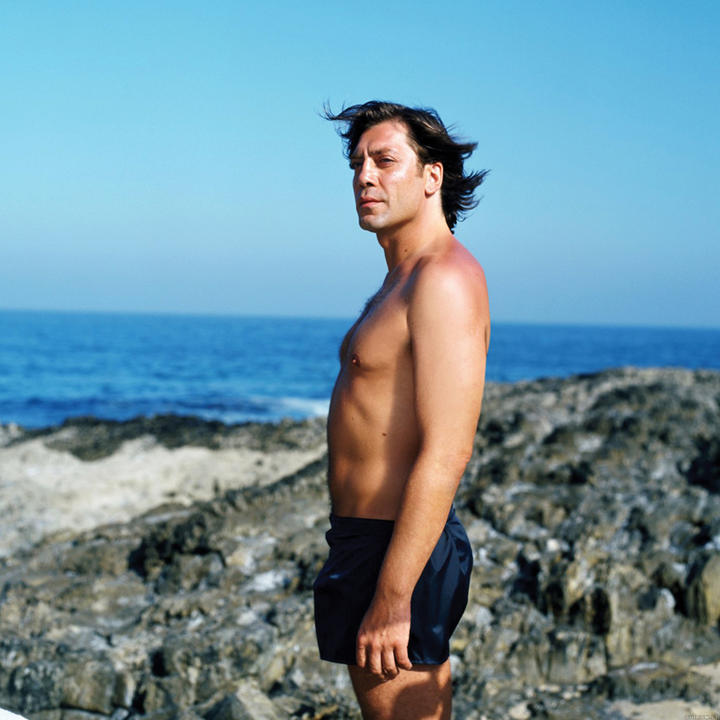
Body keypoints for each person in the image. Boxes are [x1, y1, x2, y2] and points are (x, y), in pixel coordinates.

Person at [313, 101, 490, 720]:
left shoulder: (443, 279)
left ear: (432, 175)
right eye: (357, 164)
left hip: (398, 548)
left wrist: (393, 595)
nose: (365, 176)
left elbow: (449, 449)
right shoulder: (402, 280)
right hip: (366, 538)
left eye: (385, 160)